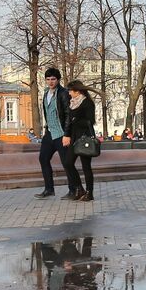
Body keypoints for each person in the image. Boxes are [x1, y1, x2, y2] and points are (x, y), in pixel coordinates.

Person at [35, 67, 80, 199]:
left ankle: (74, 190)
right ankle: (49, 189)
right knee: (43, 158)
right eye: (48, 79)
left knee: (67, 162)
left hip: (61, 133)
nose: (50, 82)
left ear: (58, 79)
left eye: (53, 79)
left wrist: (67, 135)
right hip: (50, 132)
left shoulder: (63, 93)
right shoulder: (45, 93)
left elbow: (67, 114)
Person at [61, 80, 98, 202]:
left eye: (71, 91)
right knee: (67, 162)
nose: (69, 93)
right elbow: (69, 121)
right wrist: (67, 134)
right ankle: (79, 188)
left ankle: (89, 192)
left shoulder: (87, 103)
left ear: (77, 91)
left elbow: (90, 121)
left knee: (86, 166)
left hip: (84, 138)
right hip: (74, 137)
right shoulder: (72, 103)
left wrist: (75, 119)